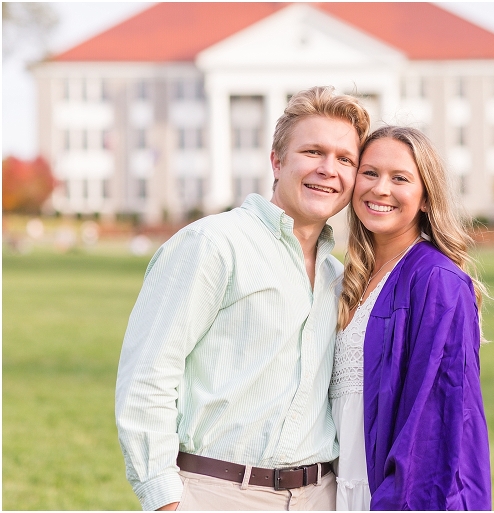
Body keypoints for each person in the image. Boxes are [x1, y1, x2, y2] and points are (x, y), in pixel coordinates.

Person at [115, 86, 370, 511]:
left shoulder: (337, 278)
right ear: (276, 160)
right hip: (217, 493)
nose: (329, 169)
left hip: (319, 496)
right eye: (313, 152)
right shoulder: (212, 245)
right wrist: (165, 500)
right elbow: (148, 376)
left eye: (345, 159)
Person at [331, 126, 492, 510]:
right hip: (339, 487)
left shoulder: (437, 281)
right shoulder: (350, 279)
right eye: (369, 173)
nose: (380, 189)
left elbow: (433, 424)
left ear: (424, 198)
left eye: (400, 178)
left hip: (392, 496)